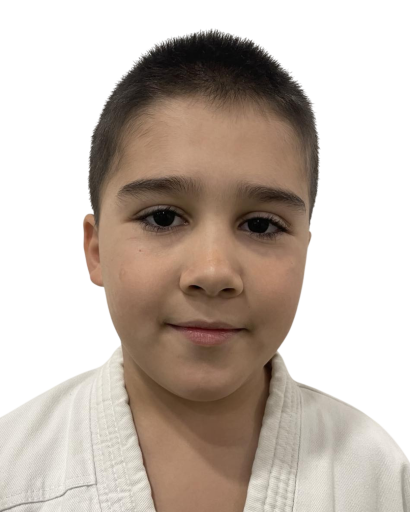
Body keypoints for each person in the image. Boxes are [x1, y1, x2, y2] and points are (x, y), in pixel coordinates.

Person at [1, 28, 408, 512]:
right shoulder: (13, 468)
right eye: (162, 218)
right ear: (95, 249)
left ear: (306, 254)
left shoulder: (378, 473)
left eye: (261, 225)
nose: (213, 272)